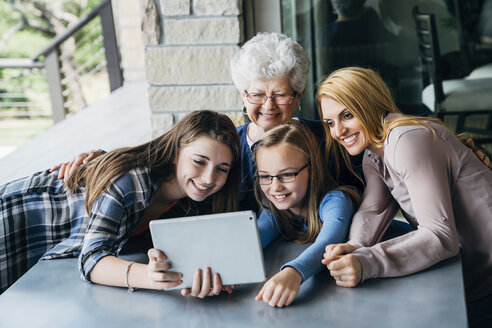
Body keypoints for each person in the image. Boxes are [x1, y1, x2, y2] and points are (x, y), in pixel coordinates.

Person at [0, 110, 241, 297]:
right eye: (199, 161)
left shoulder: (188, 205)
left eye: (222, 169)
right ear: (176, 153)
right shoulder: (132, 180)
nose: (209, 178)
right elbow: (91, 260)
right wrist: (152, 278)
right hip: (12, 218)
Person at [318, 67, 492, 326]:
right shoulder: (373, 152)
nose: (338, 131)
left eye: (347, 115)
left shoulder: (406, 140)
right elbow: (373, 209)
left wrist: (368, 262)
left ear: (370, 105)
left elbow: (440, 236)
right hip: (468, 279)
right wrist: (355, 245)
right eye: (330, 123)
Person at [251, 122, 358, 307]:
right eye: (265, 176)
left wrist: (293, 272)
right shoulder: (275, 210)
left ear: (312, 168)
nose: (276, 187)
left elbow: (327, 242)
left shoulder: (336, 201)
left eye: (287, 174)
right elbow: (254, 239)